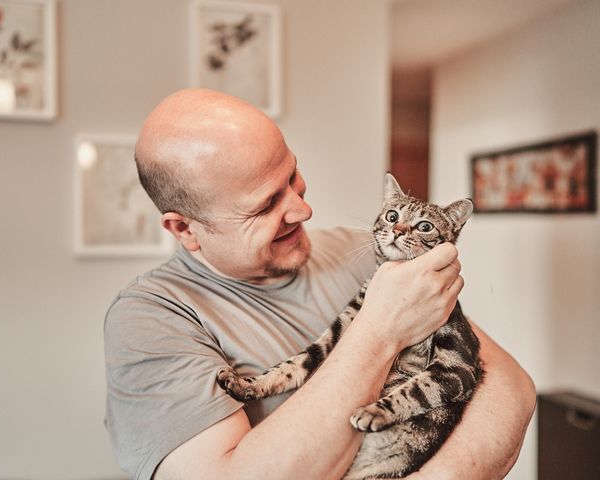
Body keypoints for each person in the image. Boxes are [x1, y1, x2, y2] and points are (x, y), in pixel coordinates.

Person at [104, 88, 535, 480]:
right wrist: (381, 329)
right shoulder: (150, 319)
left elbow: (510, 386)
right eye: (266, 204)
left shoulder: (369, 252)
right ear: (185, 229)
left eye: (292, 176)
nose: (302, 209)